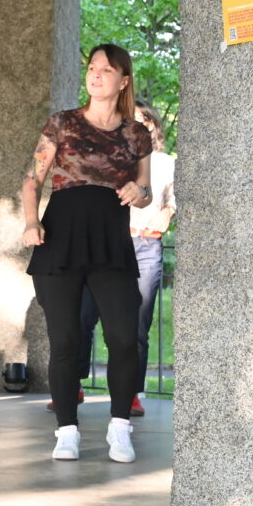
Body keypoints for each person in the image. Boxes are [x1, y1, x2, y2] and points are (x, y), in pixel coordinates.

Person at [23, 43, 152, 463]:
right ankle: (67, 431)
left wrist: (140, 192)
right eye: (91, 68)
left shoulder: (137, 134)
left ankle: (120, 428)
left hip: (110, 242)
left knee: (123, 336)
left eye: (106, 70)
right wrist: (30, 222)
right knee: (65, 340)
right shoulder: (61, 123)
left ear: (123, 81)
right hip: (59, 238)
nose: (95, 75)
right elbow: (32, 180)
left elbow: (146, 191)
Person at [67, 100, 176, 417]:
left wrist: (168, 213)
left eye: (141, 120)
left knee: (136, 325)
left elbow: (173, 199)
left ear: (152, 125)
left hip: (144, 246)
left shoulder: (167, 163)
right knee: (83, 316)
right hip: (104, 245)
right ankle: (72, 384)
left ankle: (131, 394)